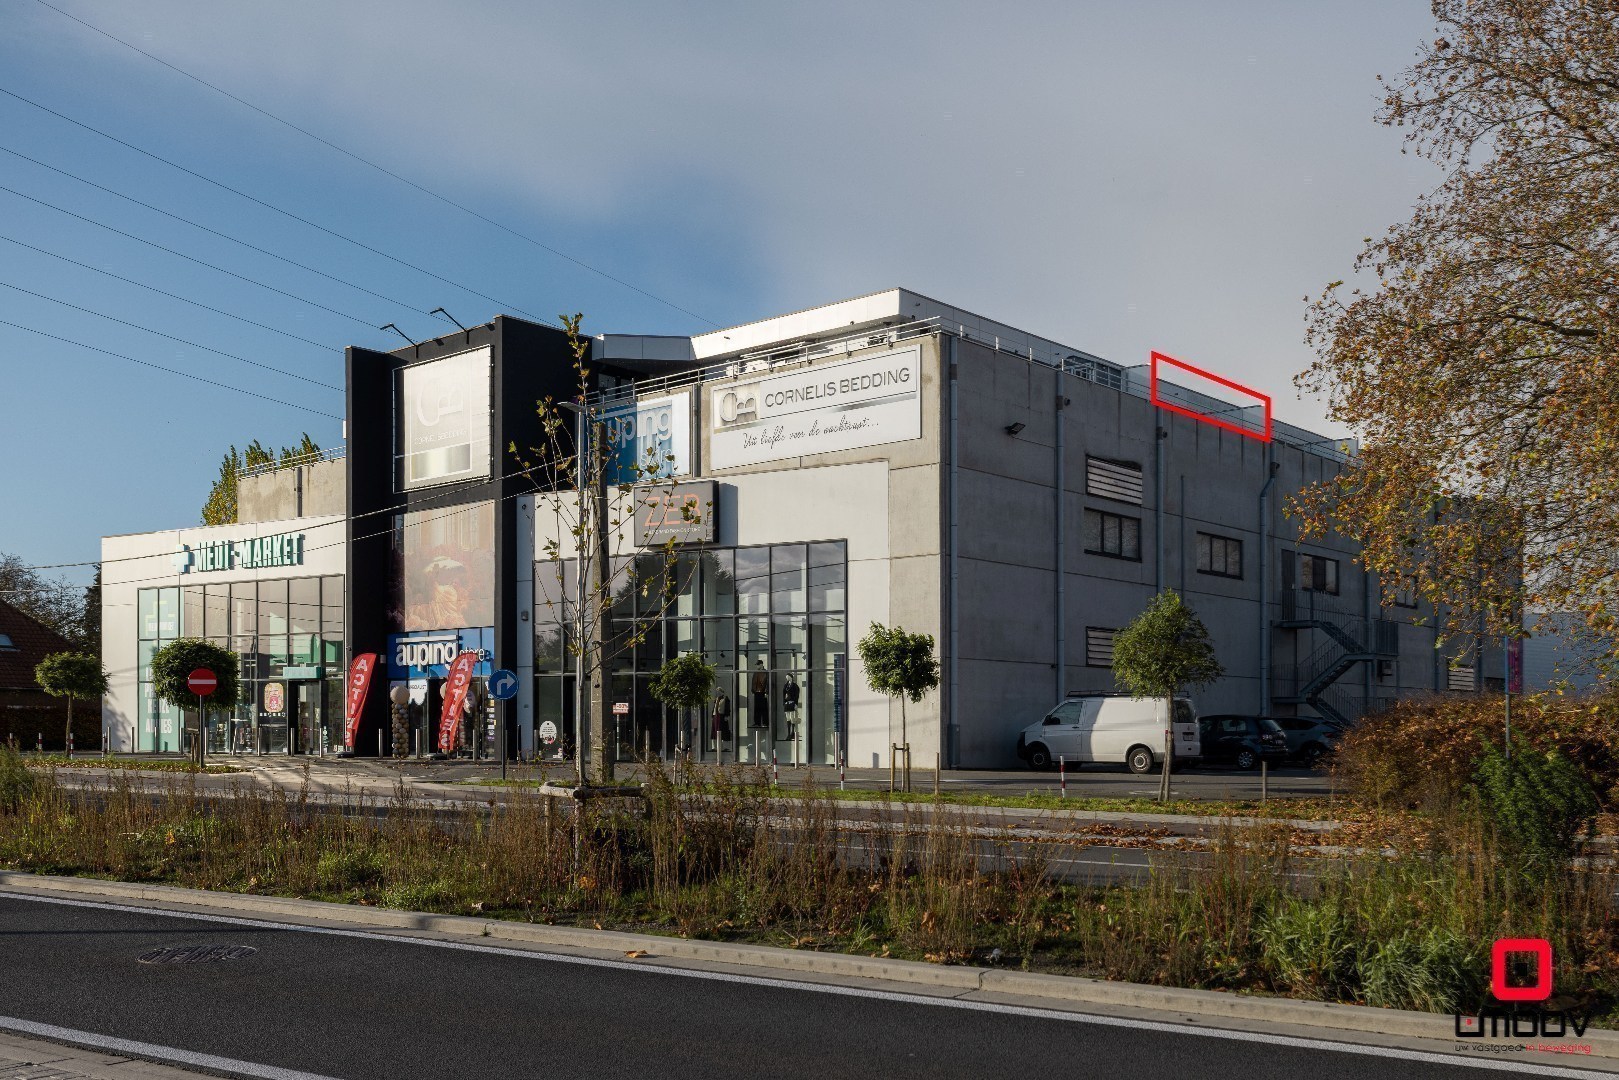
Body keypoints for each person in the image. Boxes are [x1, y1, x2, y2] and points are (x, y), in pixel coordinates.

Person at [750, 661, 770, 729]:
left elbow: (768, 683)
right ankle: (757, 723)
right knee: (757, 708)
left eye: (758, 665)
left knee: (764, 708)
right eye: (757, 665)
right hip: (756, 692)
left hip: (763, 692)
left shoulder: (766, 672)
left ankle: (765, 723)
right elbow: (753, 682)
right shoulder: (756, 673)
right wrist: (753, 691)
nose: (757, 666)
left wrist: (766, 692)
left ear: (761, 664)